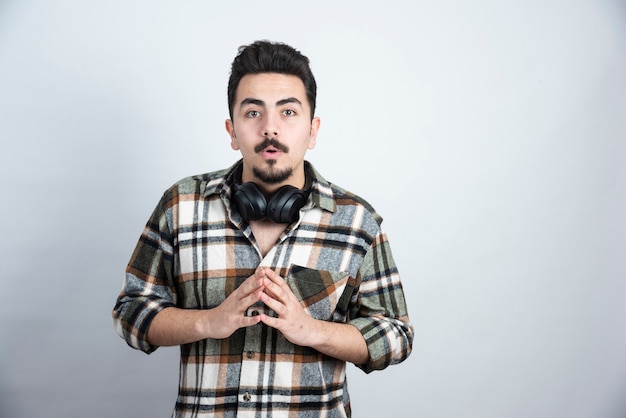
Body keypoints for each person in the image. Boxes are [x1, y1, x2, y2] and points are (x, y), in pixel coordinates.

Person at [112, 40, 413, 418]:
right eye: (253, 112)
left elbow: (396, 336)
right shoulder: (181, 205)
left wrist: (312, 330)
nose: (270, 128)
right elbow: (130, 313)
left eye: (288, 111)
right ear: (232, 130)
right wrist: (208, 321)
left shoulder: (356, 221)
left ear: (313, 130)